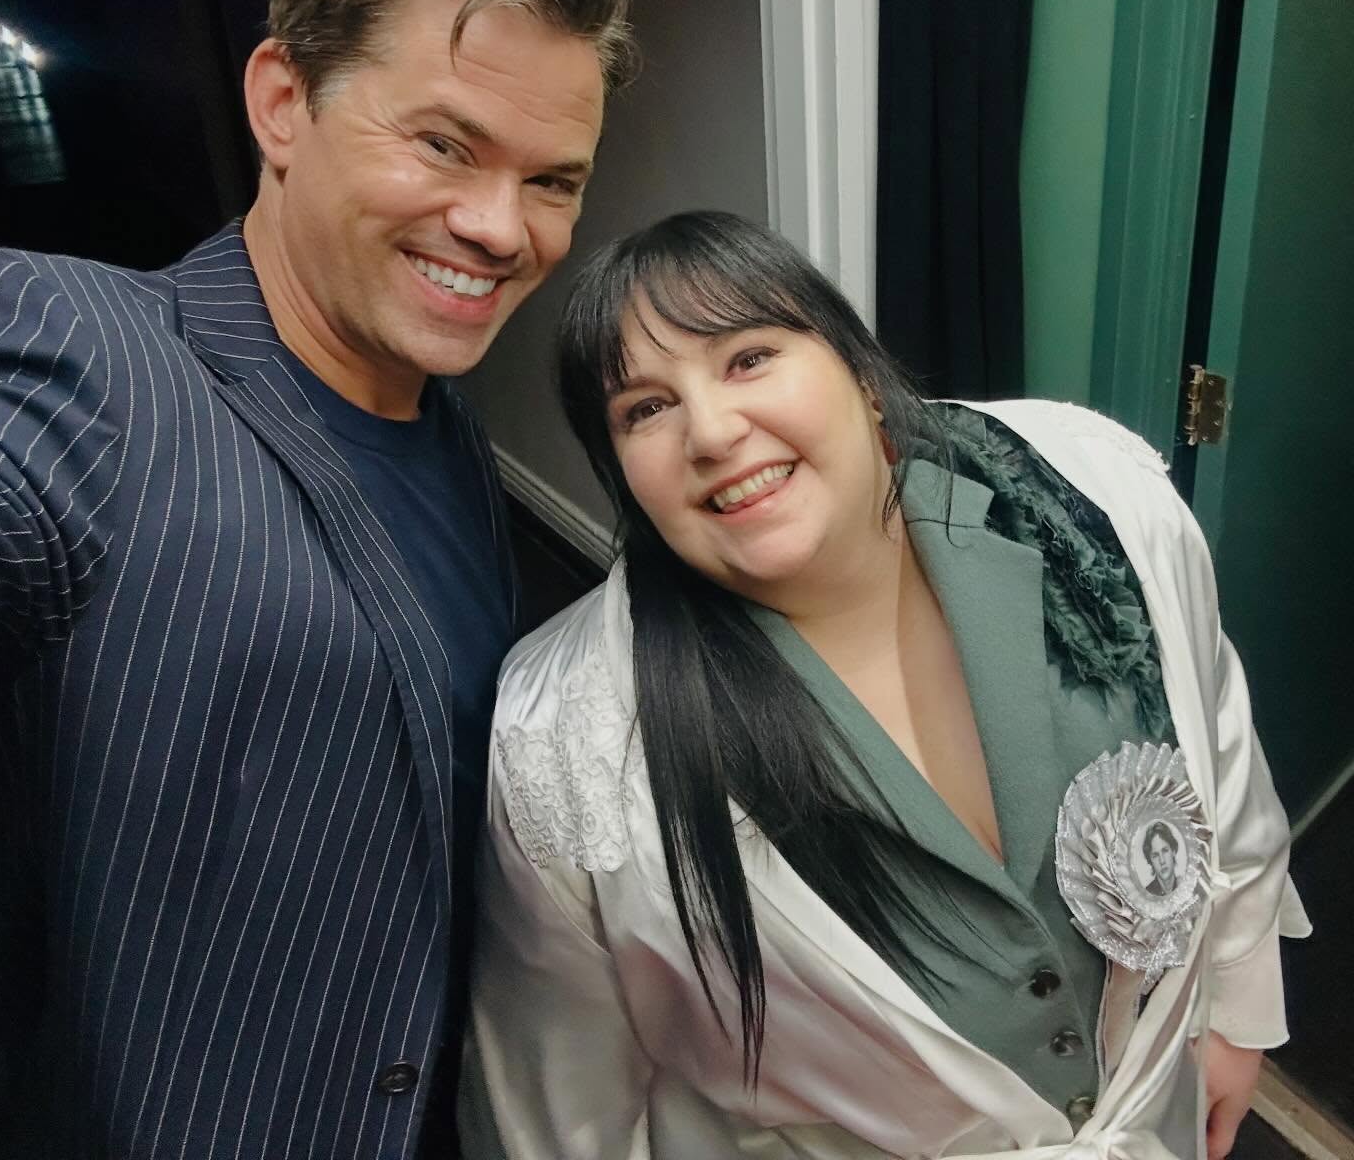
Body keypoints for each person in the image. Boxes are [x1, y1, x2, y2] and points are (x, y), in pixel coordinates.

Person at [0, 0, 634, 1159]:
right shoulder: (77, 360)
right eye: (441, 143)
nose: (497, 224)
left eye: (553, 180)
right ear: (282, 100)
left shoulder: (451, 441)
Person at [467, 211, 1310, 1160]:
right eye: (645, 409)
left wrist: (1237, 1000)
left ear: (862, 376)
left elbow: (1216, 723)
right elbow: (556, 1095)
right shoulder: (560, 743)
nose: (710, 430)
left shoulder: (1082, 501)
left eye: (748, 358)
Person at [1144, 822, 1182, 898]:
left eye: (1165, 851)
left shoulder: (1184, 885)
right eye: (1155, 855)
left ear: (1173, 851)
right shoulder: (1146, 895)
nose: (1162, 861)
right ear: (1150, 860)